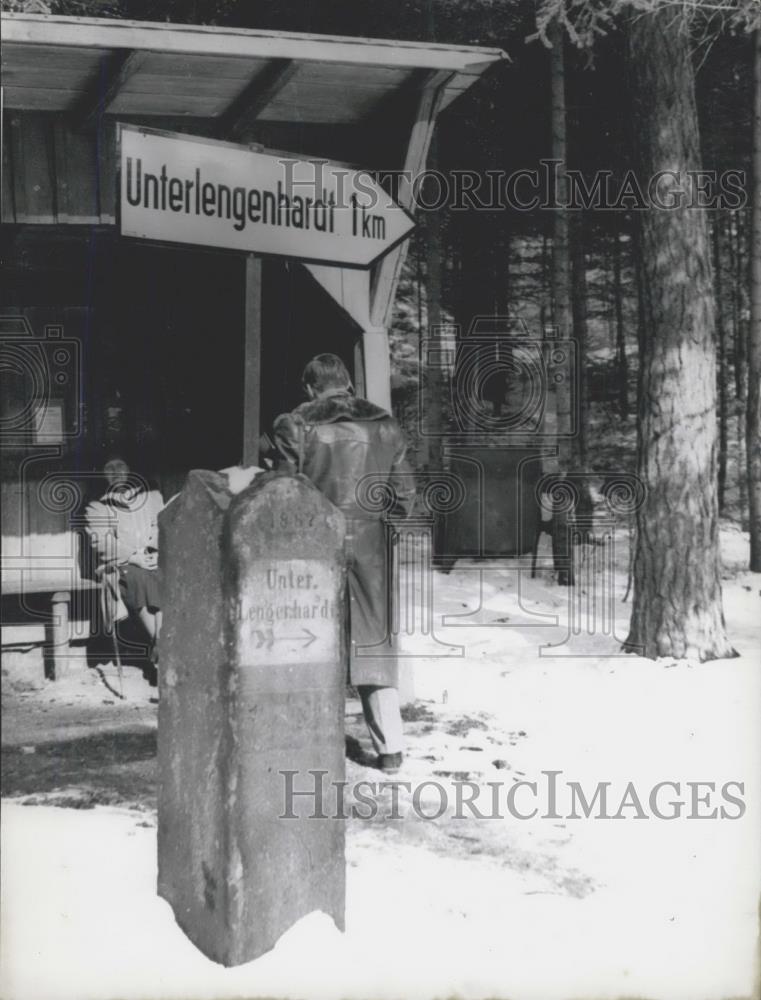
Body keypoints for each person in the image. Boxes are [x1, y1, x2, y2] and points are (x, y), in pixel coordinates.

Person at [273, 354, 414, 774]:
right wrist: (384, 527)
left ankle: (312, 741)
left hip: (316, 541)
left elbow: (283, 491)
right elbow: (405, 493)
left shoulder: (295, 425)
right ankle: (390, 748)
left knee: (312, 636)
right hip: (371, 545)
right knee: (372, 641)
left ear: (311, 388)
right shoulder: (385, 425)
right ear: (349, 384)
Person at [85, 456, 164, 657]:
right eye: (109, 467)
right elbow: (101, 541)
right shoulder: (97, 503)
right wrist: (132, 556)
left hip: (150, 558)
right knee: (138, 578)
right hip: (118, 563)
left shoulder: (151, 494)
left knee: (165, 575)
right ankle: (162, 645)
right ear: (102, 474)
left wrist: (155, 552)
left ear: (130, 468)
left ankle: (162, 642)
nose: (115, 472)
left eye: (120, 466)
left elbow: (161, 526)